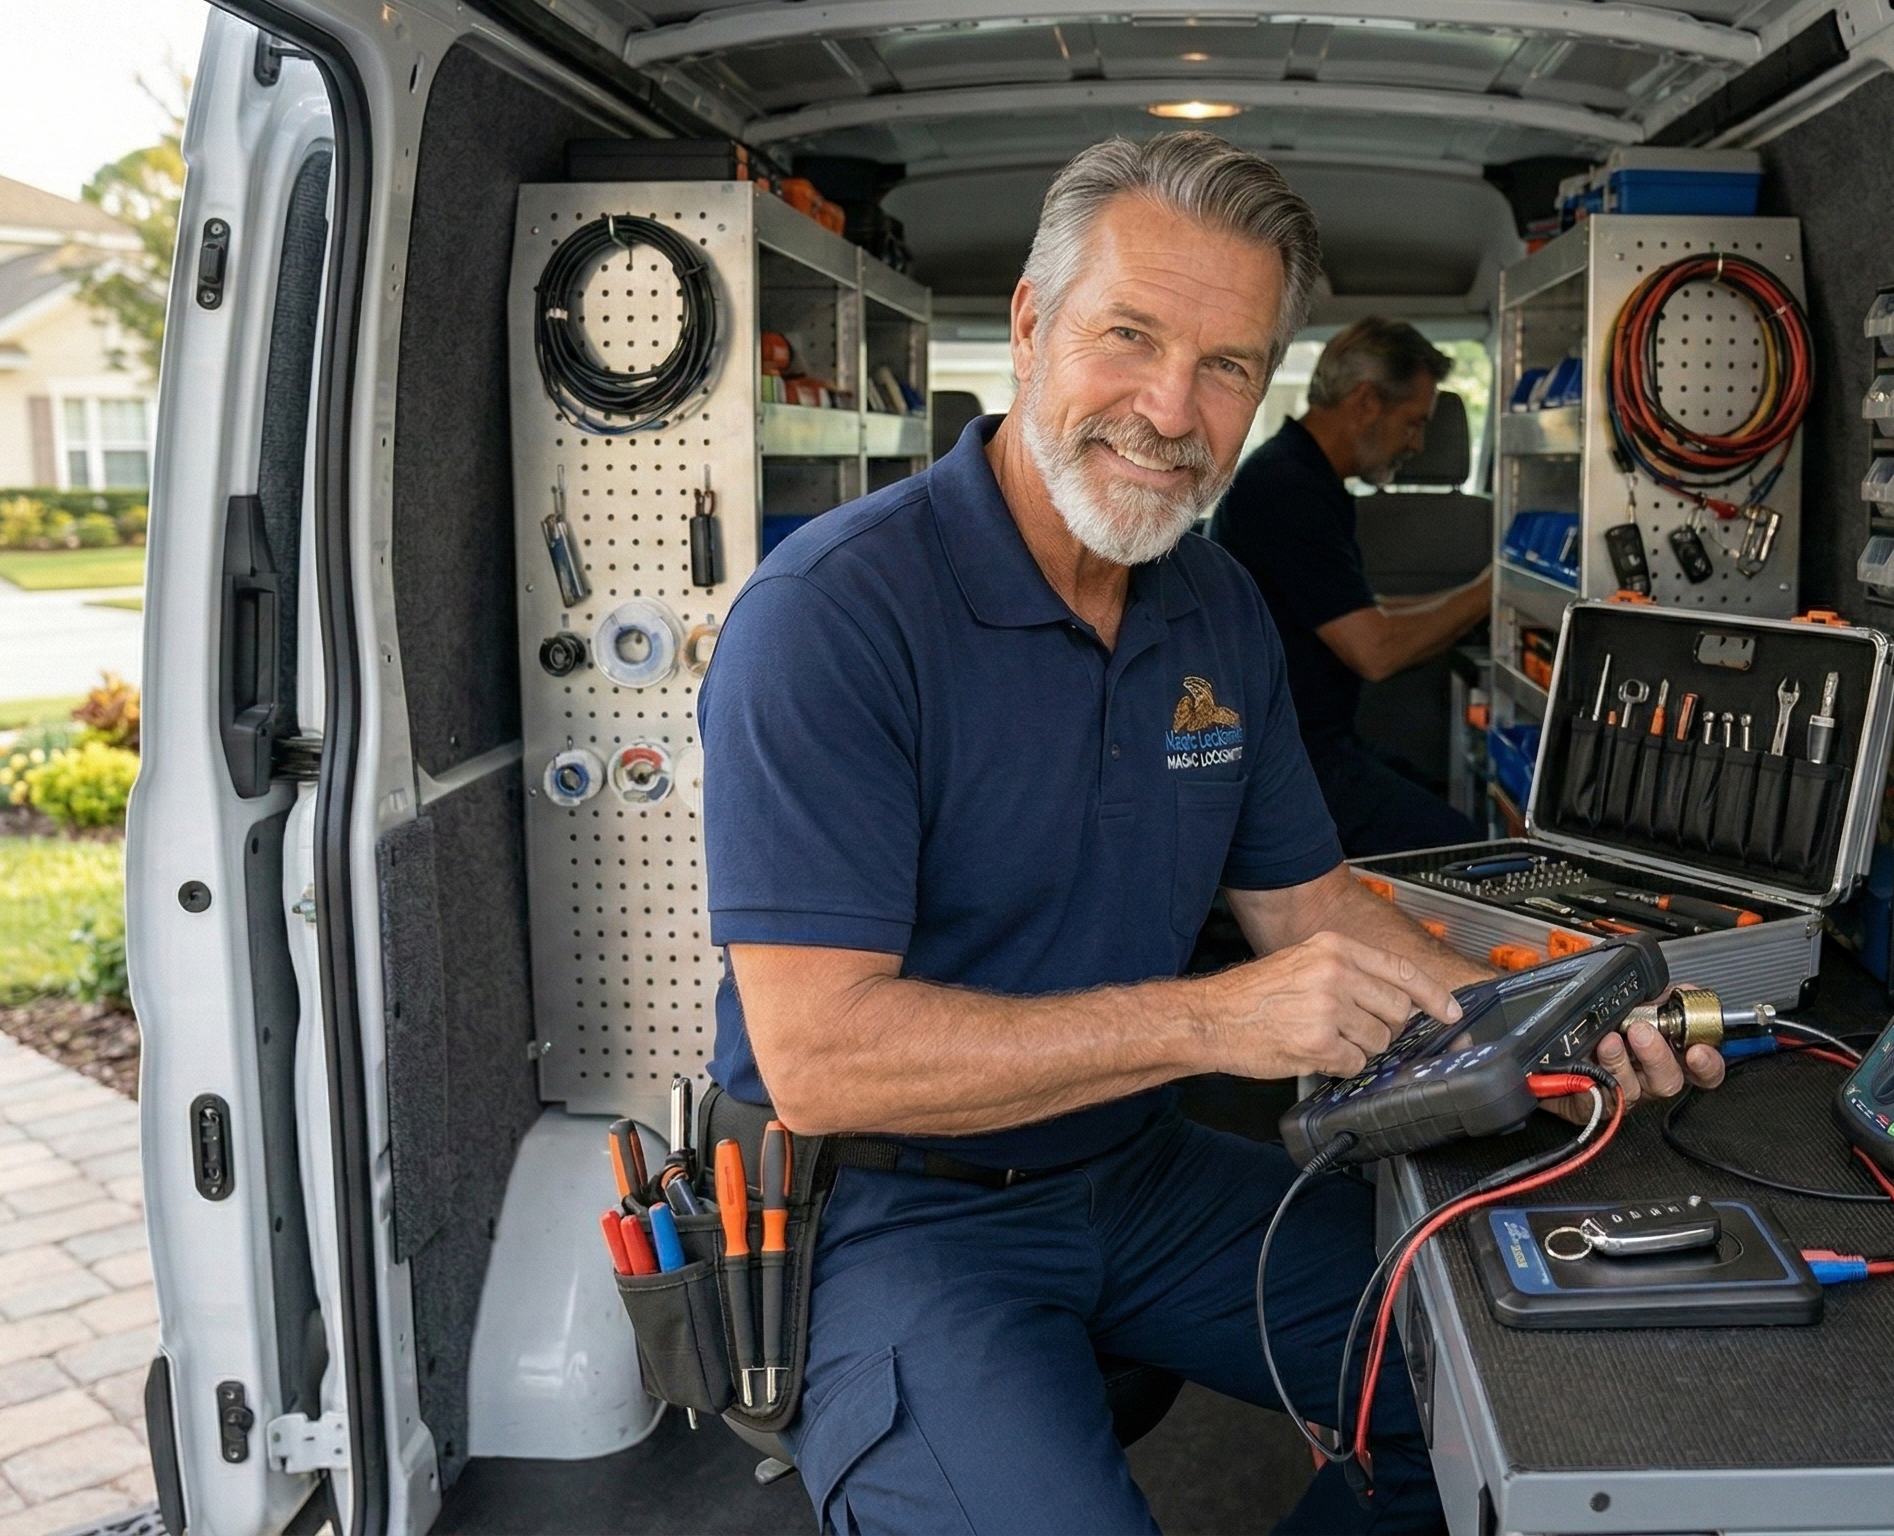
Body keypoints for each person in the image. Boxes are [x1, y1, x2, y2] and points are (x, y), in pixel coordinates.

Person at [698, 131, 1724, 1536]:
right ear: (1028, 326)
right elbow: (818, 1059)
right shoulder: (832, 619)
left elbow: (1309, 913)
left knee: (1522, 1394)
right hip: (897, 1216)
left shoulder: (1215, 604)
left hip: (1138, 1169)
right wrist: (1215, 1025)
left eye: (1228, 365)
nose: (1170, 408)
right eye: (1129, 336)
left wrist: (1549, 1014)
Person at [1210, 317, 1492, 856]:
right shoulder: (1287, 489)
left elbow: (1359, 608)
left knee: (1430, 792)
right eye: (1413, 423)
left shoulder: (1304, 475)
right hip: (1290, 760)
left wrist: (1471, 606)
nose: (1416, 443)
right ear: (1365, 403)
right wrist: (1486, 591)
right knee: (1468, 852)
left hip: (1315, 744)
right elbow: (1375, 650)